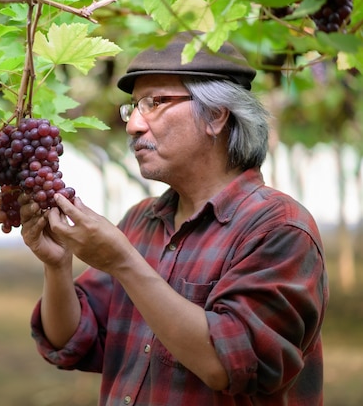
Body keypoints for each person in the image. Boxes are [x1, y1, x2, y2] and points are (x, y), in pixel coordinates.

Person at [19, 31, 328, 405]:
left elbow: (228, 364)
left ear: (215, 115)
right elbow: (72, 339)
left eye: (154, 103)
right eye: (132, 107)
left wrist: (123, 262)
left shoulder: (279, 228)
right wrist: (58, 267)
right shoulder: (142, 221)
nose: (133, 125)